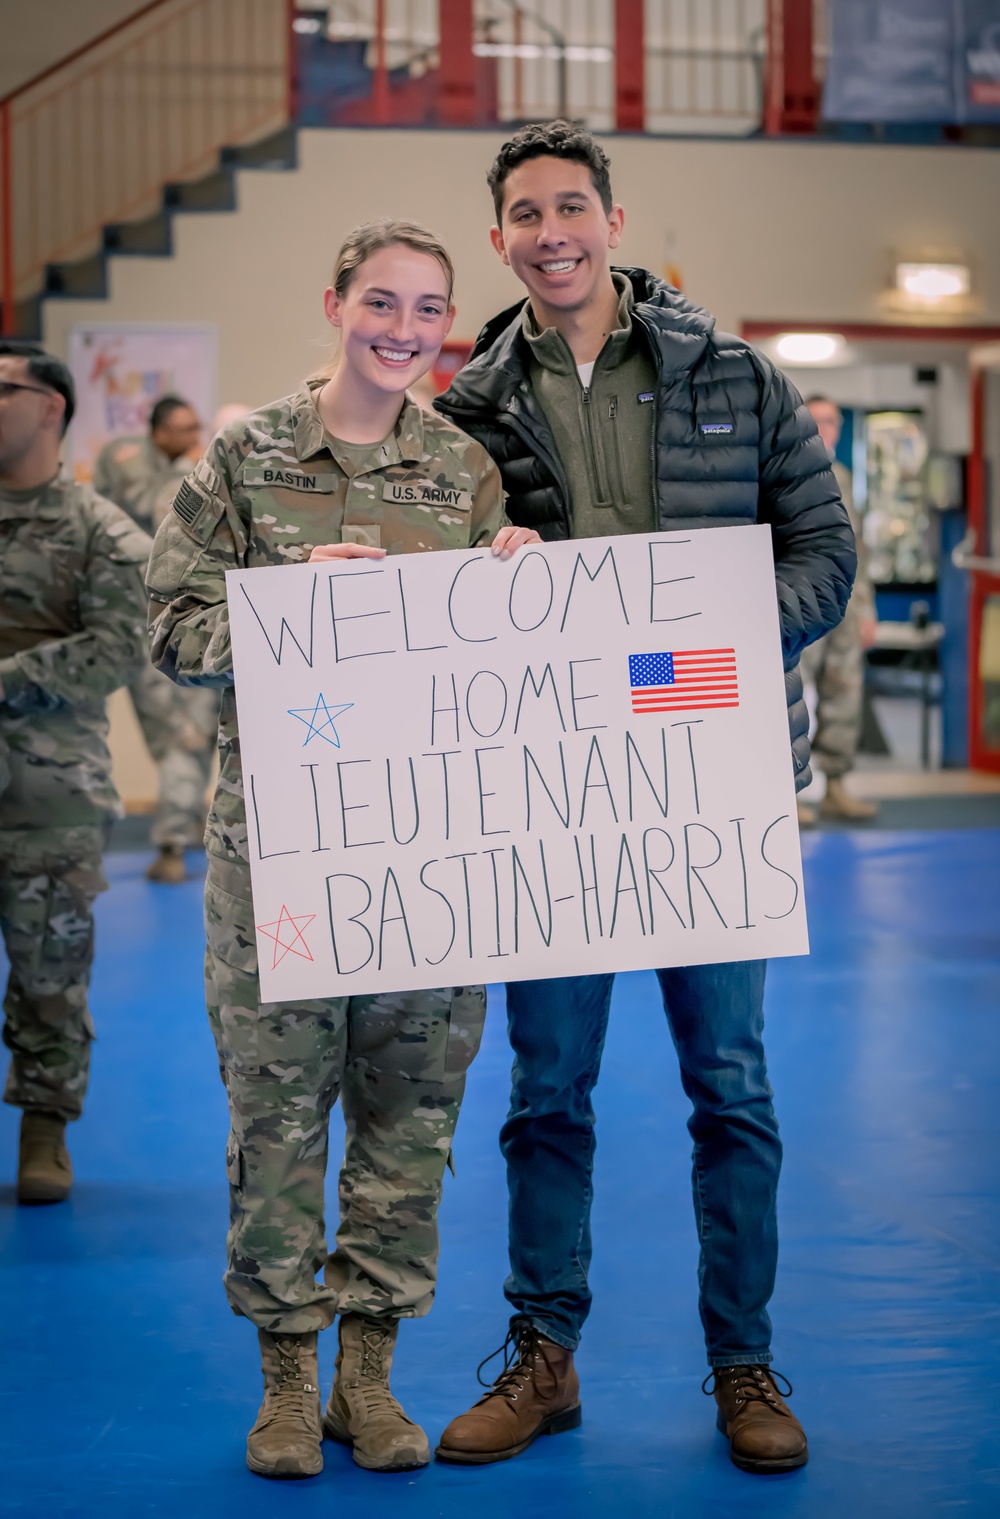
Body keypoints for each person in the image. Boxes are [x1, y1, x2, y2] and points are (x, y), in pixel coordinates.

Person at [433, 121, 857, 1475]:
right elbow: (435, 590)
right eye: (523, 213)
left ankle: (745, 1363)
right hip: (554, 791)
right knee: (546, 1087)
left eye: (571, 205)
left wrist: (731, 651)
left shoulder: (734, 373)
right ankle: (543, 1355)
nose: (550, 230)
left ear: (614, 218)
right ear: (499, 236)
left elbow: (823, 542)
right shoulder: (468, 409)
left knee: (729, 1083)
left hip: (713, 779)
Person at [145, 220, 540, 1481]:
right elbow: (168, 627)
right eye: (382, 302)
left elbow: (503, 667)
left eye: (429, 310)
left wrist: (528, 589)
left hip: (425, 853)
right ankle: (281, 1381)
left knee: (411, 1115)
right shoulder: (245, 456)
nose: (404, 328)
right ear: (336, 305)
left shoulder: (464, 468)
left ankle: (367, 1377)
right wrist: (281, 609)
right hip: (280, 855)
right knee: (276, 1113)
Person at [0, 339, 150, 1203]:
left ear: (51, 405)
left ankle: (45, 1123)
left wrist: (7, 679)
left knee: (49, 975)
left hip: (46, 795)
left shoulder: (99, 529)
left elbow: (120, 648)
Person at [94, 394, 216, 883]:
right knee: (170, 736)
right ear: (157, 431)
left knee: (189, 734)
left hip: (184, 622)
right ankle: (174, 829)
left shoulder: (197, 469)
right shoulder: (121, 460)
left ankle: (171, 839)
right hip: (131, 624)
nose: (192, 437)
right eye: (183, 429)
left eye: (196, 428)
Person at [797, 396, 878, 825]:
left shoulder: (844, 478)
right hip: (802, 600)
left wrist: (867, 610)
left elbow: (858, 550)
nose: (824, 427)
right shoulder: (784, 471)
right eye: (817, 419)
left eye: (831, 421)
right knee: (795, 695)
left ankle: (837, 786)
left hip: (844, 604)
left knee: (843, 692)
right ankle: (787, 792)